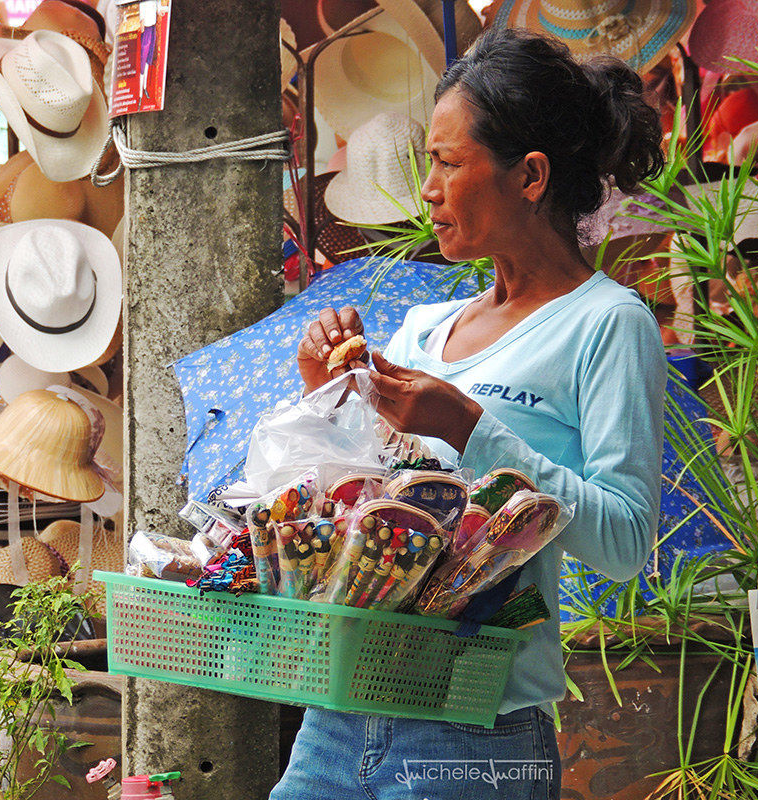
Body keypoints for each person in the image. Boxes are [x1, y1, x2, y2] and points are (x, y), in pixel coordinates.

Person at [275, 26, 666, 800]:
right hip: (337, 715)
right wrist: (325, 394)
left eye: (448, 164)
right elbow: (364, 515)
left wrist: (471, 430)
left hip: (477, 730)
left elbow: (624, 542)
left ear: (530, 175)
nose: (428, 190)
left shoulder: (609, 323)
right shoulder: (427, 328)